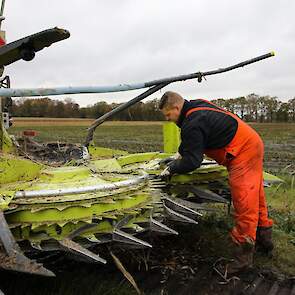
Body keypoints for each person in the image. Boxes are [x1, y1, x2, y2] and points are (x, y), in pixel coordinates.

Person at [158, 91, 273, 274]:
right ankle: (265, 241)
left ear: (177, 107)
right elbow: (194, 138)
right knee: (256, 196)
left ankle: (242, 259)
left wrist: (172, 168)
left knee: (244, 203)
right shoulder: (195, 106)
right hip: (251, 141)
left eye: (168, 114)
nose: (167, 119)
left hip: (243, 151)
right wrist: (179, 154)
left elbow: (193, 162)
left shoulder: (192, 123)